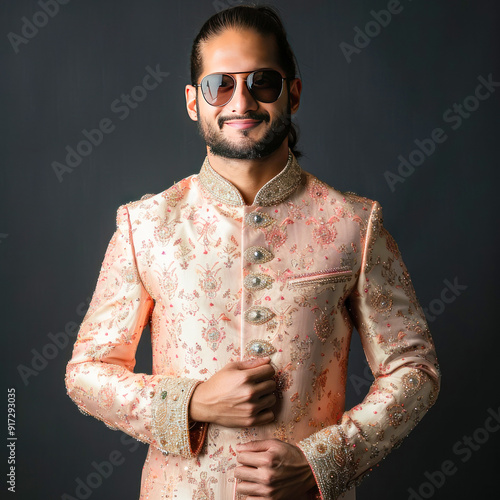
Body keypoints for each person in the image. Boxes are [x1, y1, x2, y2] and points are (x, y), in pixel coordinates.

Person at [65, 5, 441, 499]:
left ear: (295, 93)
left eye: (262, 82)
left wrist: (320, 462)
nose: (241, 101)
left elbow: (414, 371)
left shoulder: (354, 223)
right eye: (220, 84)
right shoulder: (146, 225)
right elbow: (86, 373)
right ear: (192, 101)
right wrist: (192, 402)